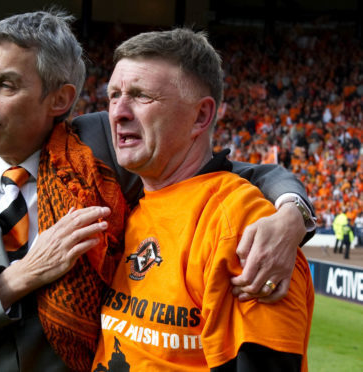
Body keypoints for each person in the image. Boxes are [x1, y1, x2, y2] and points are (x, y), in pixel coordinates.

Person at [0, 10, 313, 372]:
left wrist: (291, 214)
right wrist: (16, 280)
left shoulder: (103, 149)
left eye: (6, 85)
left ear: (60, 99)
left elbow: (238, 172)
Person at [92, 28, 314, 371]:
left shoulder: (245, 228)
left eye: (141, 96)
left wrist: (293, 211)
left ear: (201, 116)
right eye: (113, 95)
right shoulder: (121, 196)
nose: (118, 113)